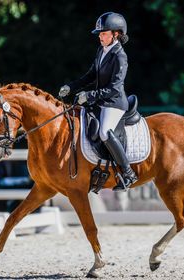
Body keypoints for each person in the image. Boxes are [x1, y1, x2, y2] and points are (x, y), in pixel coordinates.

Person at [58, 12, 137, 192]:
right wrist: (71, 87)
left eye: (103, 33)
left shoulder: (120, 56)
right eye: (100, 34)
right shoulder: (102, 50)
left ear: (116, 34)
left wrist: (90, 95)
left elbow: (115, 88)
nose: (100, 36)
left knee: (104, 132)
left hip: (115, 103)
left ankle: (127, 172)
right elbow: (90, 76)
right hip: (101, 101)